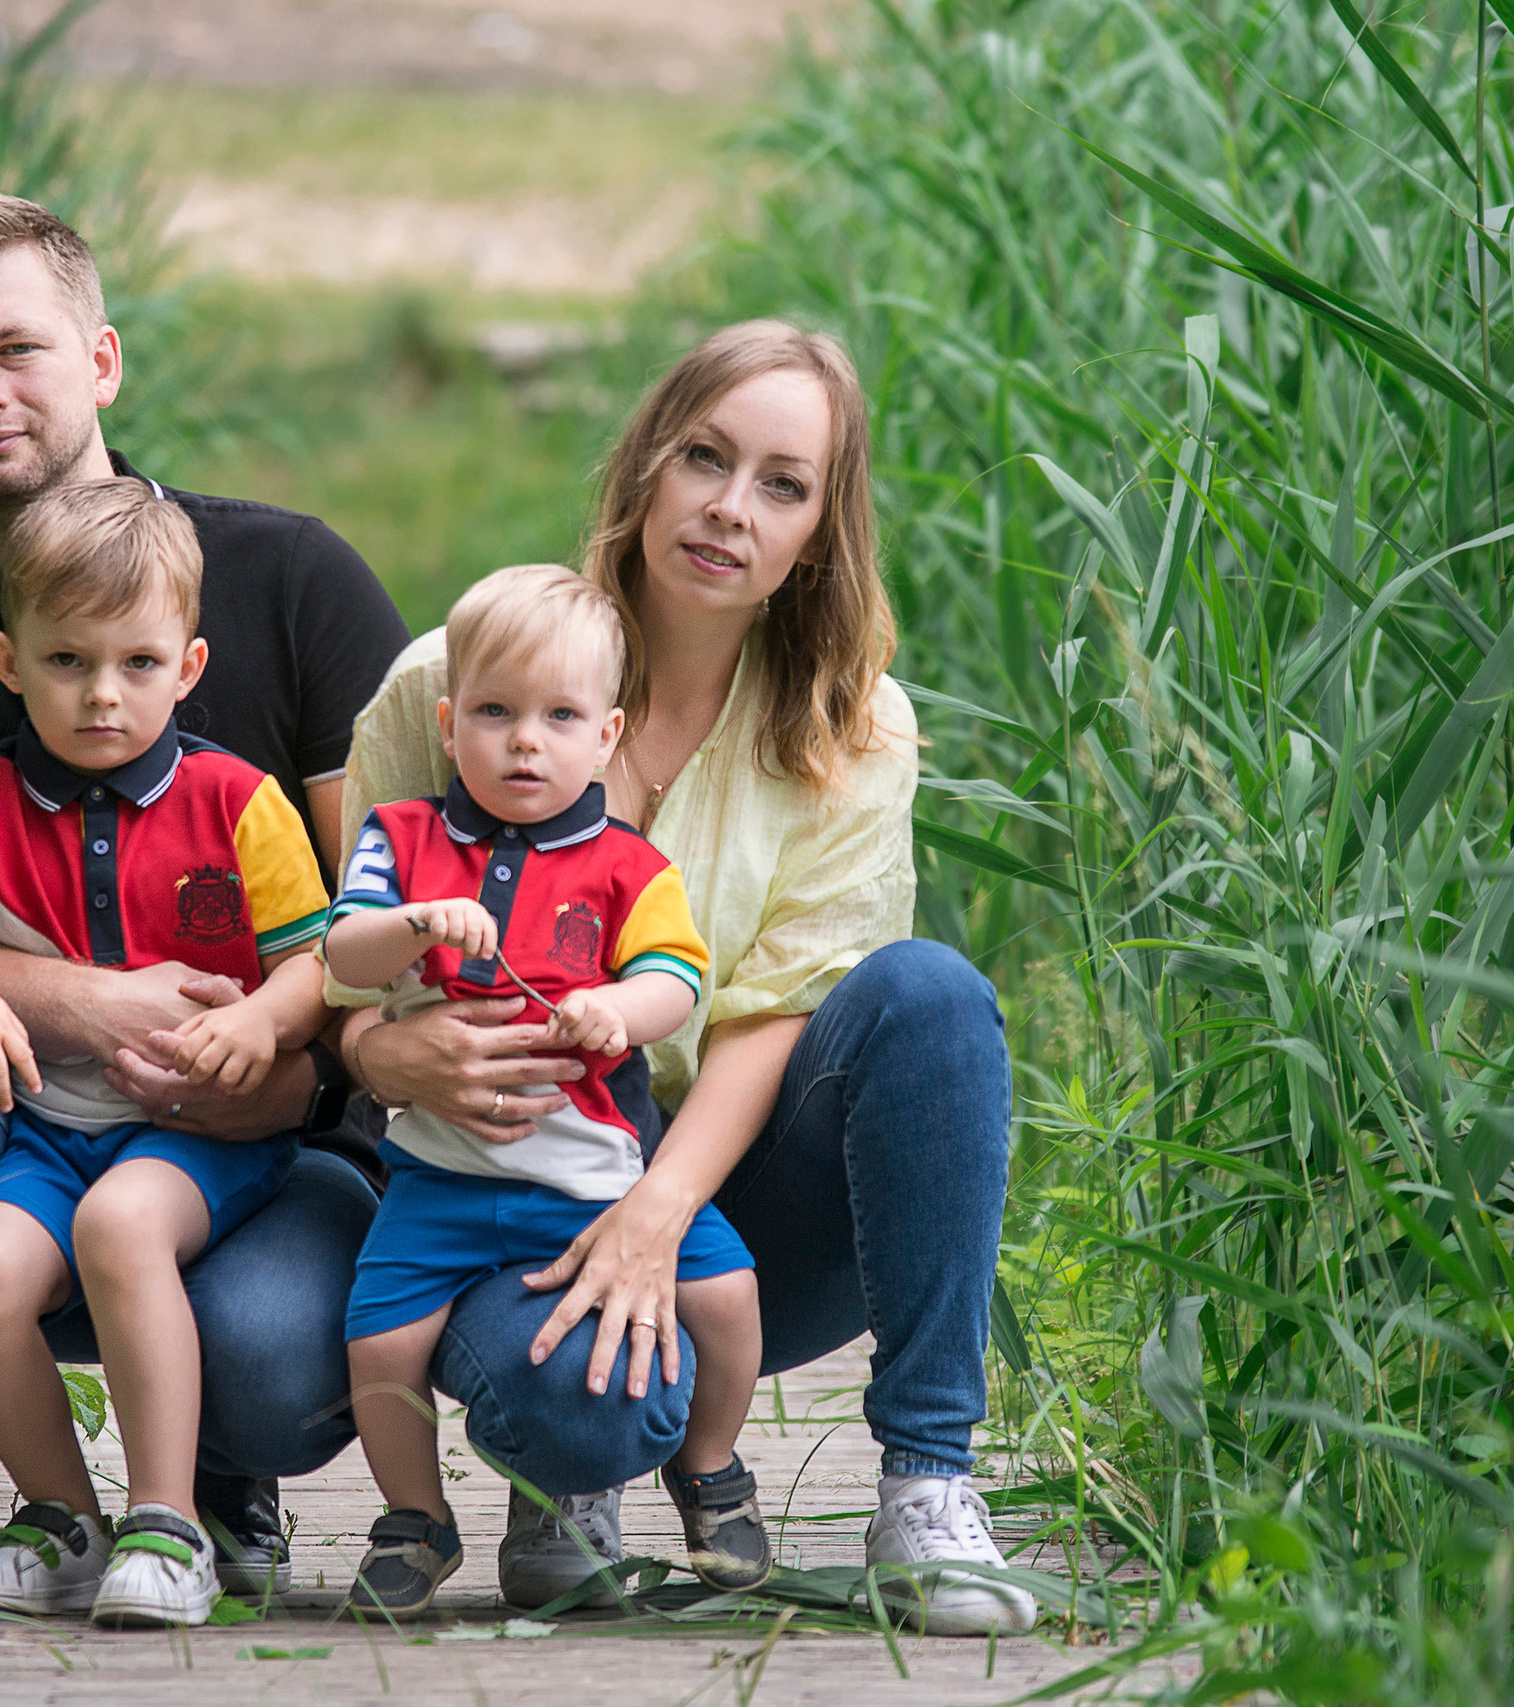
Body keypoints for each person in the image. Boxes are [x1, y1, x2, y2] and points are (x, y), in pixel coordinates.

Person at [337, 321, 1038, 1634]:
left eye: (782, 483)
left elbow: (775, 1009)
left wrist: (658, 1207)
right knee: (580, 1406)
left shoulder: (854, 723)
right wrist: (387, 1051)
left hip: (729, 1188)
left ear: (821, 531)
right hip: (499, 1169)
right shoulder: (450, 683)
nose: (729, 507)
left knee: (932, 993)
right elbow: (345, 974)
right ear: (645, 471)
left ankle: (929, 1485)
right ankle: (570, 1474)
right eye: (705, 459)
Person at [0, 190, 409, 1604]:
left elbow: (382, 924)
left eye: (19, 347)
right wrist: (89, 1001)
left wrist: (281, 1065)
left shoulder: (289, 578)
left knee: (259, 1368)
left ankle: (215, 1487)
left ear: (105, 360)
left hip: (263, 1132)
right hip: (20, 1122)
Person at [0, 481, 334, 1624]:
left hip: (203, 1131)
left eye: (138, 664)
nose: (104, 695)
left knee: (123, 1224)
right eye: (67, 662)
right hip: (54, 1134)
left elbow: (321, 964)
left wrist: (260, 1020)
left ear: (189, 667)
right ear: (9, 661)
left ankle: (169, 1524)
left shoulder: (240, 802)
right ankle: (62, 1516)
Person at [320, 566, 767, 1615]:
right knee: (377, 1335)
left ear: (605, 736)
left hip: (599, 1175)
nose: (526, 741)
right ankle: (414, 1519)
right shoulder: (403, 838)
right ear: (448, 720)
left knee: (729, 1295)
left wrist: (619, 1008)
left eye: (559, 717)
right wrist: (420, 923)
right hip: (441, 1175)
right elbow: (345, 949)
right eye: (494, 713)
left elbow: (677, 976)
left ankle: (709, 1469)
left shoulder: (627, 865)